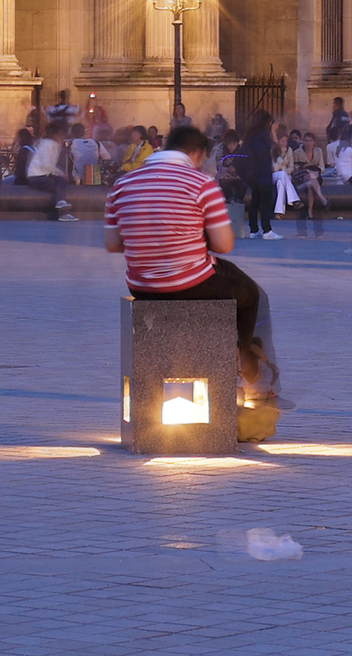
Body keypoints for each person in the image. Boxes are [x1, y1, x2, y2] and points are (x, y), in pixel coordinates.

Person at [103, 120, 279, 437]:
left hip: (142, 286)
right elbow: (225, 244)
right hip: (191, 281)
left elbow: (113, 244)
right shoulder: (200, 183)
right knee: (253, 295)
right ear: (196, 153)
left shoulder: (122, 185)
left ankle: (240, 366)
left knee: (226, 286)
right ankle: (252, 374)